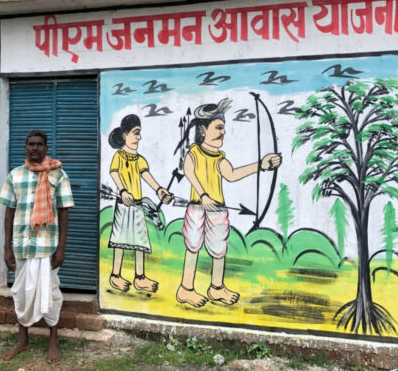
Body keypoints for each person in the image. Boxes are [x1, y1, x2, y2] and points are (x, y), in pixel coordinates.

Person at [174, 98, 282, 308]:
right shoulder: (194, 153)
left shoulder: (219, 158)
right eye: (218, 127)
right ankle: (185, 289)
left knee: (218, 249)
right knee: (193, 247)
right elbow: (189, 173)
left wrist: (261, 165)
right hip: (197, 206)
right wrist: (204, 195)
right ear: (203, 130)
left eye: (223, 127)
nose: (223, 132)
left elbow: (232, 175)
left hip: (217, 209)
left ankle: (216, 288)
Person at [0, 130, 74, 363]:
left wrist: (61, 248)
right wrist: (7, 247)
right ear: (25, 148)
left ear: (46, 148)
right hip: (22, 245)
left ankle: (53, 340)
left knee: (51, 292)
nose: (35, 148)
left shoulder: (58, 175)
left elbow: (64, 212)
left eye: (39, 144)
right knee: (21, 291)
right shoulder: (14, 175)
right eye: (31, 144)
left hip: (47, 246)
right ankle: (23, 339)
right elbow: (9, 212)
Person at [108, 114, 172, 293]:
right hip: (123, 205)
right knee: (119, 242)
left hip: (137, 206)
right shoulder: (118, 157)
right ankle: (115, 275)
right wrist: (123, 191)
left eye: (139, 133)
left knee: (140, 241)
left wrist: (159, 190)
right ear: (125, 135)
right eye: (136, 133)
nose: (139, 137)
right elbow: (114, 173)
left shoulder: (140, 159)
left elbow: (146, 176)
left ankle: (140, 277)